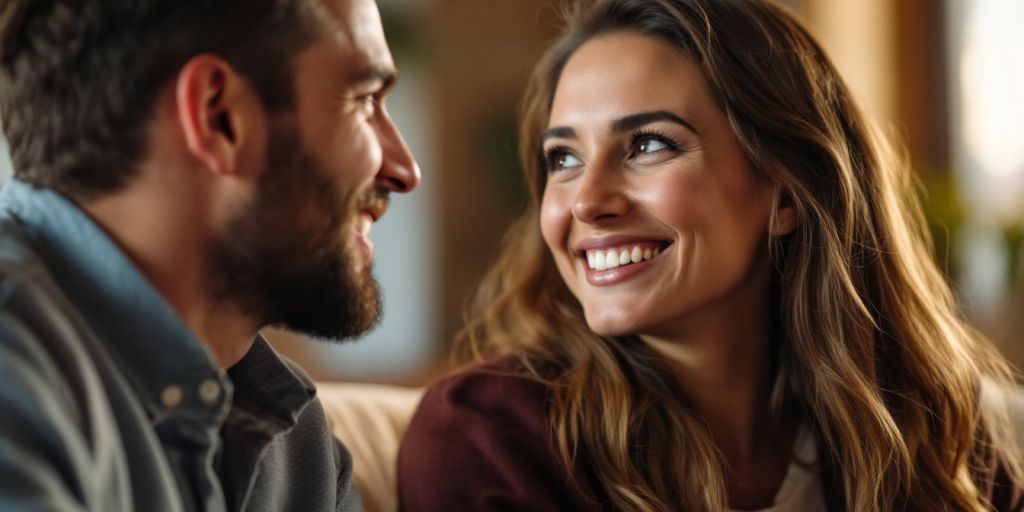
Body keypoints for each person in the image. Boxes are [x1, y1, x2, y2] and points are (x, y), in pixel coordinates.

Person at [397, 0, 1023, 510]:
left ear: (785, 194)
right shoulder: (489, 437)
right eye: (563, 158)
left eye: (647, 144)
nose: (586, 202)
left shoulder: (936, 434)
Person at [0, 0, 419, 509]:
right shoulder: (17, 370)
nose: (404, 169)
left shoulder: (297, 444)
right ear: (218, 115)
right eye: (363, 99)